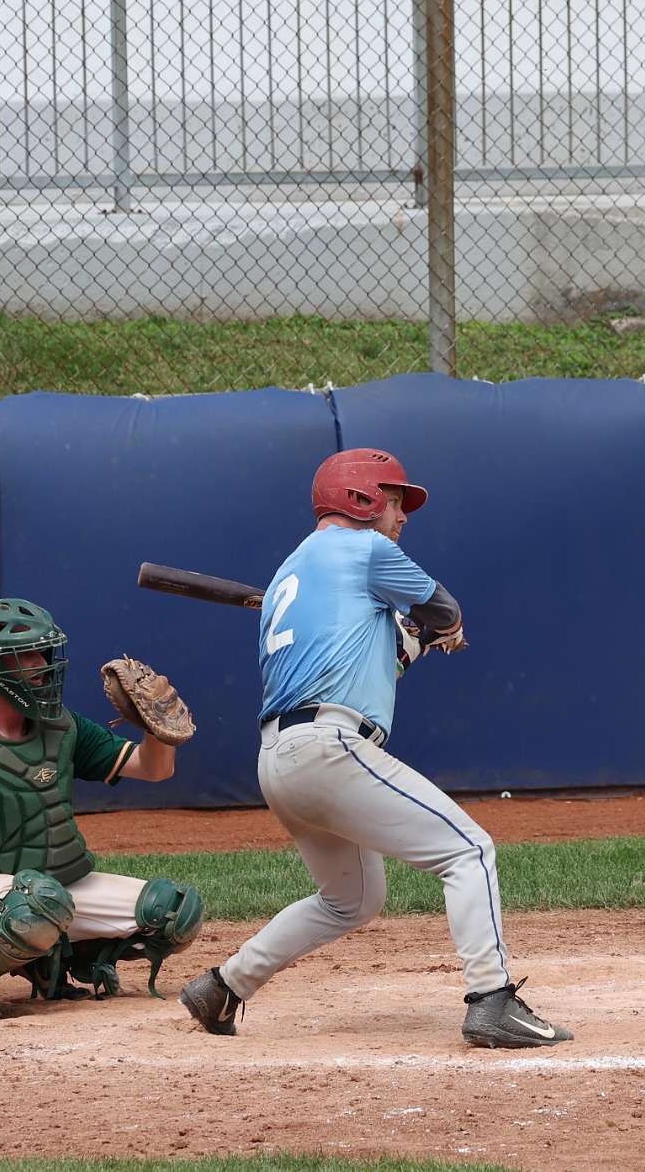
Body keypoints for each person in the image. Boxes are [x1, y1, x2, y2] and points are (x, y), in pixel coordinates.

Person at [179, 448, 572, 1049]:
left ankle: (223, 986)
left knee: (350, 900)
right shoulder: (362, 548)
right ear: (360, 500)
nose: (402, 515)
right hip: (329, 748)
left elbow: (378, 659)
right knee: (468, 851)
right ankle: (492, 1001)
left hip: (280, 759)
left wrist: (413, 642)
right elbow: (444, 607)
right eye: (393, 500)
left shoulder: (292, 571)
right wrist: (442, 628)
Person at [0, 598, 205, 1020]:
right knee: (34, 905)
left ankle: (52, 960)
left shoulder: (61, 726)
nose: (41, 665)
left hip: (44, 894)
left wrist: (158, 730)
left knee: (173, 911)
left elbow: (153, 769)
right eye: (26, 655)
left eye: (43, 653)